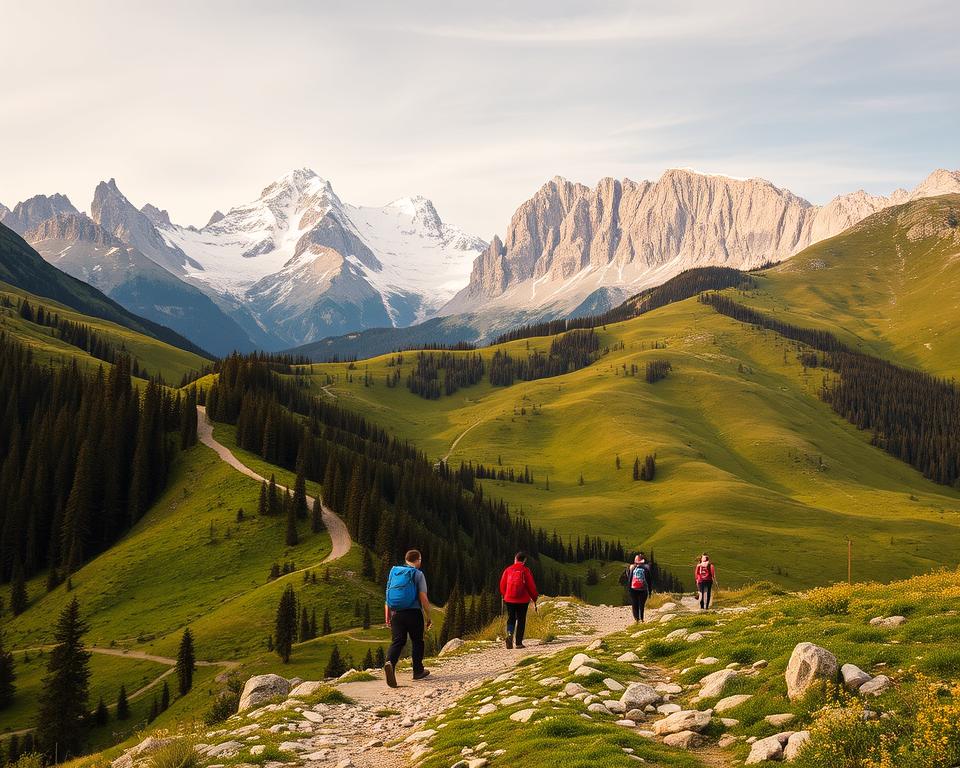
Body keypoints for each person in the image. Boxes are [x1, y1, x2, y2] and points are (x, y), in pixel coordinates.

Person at [383, 549, 433, 687]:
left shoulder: (394, 572)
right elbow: (423, 597)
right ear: (418, 560)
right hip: (413, 613)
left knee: (398, 641)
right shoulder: (418, 574)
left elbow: (387, 595)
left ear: (406, 560)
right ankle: (418, 671)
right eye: (420, 560)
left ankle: (390, 663)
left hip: (396, 614)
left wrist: (387, 616)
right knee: (417, 641)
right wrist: (429, 616)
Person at [499, 551, 538, 649]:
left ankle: (509, 635)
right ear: (524, 560)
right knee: (521, 619)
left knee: (511, 618)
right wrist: (534, 598)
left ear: (515, 559)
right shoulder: (526, 570)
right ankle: (519, 643)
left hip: (509, 599)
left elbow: (502, 585)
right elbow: (531, 586)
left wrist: (505, 595)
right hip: (523, 600)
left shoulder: (508, 569)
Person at [624, 553, 652, 622]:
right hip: (643, 589)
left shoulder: (632, 568)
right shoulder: (646, 568)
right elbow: (649, 581)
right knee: (641, 605)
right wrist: (650, 591)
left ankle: (637, 620)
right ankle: (642, 619)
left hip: (633, 589)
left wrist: (629, 589)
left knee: (634, 604)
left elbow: (630, 579)